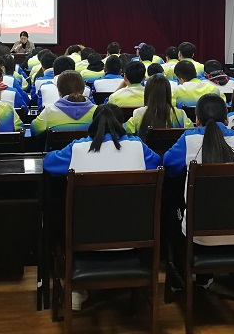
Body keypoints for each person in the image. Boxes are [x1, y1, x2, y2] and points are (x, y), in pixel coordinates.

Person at [44, 102, 160, 310]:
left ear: (93, 124)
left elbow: (49, 163)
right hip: (134, 237)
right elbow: (157, 162)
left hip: (84, 238)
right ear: (121, 124)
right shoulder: (138, 147)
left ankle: (76, 289)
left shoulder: (78, 148)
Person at [163, 94, 234, 246]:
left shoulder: (188, 139)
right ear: (227, 119)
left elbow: (168, 164)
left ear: (197, 120)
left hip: (199, 235)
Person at [30, 70, 96, 138]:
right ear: (84, 89)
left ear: (59, 91)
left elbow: (34, 131)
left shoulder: (49, 111)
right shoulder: (97, 112)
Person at [124, 74, 193, 135]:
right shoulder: (180, 115)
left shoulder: (137, 114)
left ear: (147, 92)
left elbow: (126, 133)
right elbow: (191, 132)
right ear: (168, 93)